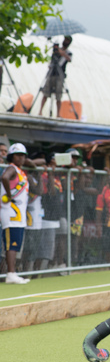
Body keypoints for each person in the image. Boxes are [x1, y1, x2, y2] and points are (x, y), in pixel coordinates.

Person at [1, 143, 36, 284]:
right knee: (11, 244)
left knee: (15, 244)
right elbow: (4, 177)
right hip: (11, 212)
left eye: (23, 155)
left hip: (19, 214)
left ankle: (12, 272)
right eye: (18, 155)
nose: (21, 158)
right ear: (11, 156)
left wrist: (26, 160)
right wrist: (9, 195)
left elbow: (33, 164)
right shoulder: (12, 168)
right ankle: (11, 273)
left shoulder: (21, 170)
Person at [38, 36, 73, 117]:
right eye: (65, 39)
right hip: (52, 74)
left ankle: (58, 114)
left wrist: (62, 53)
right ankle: (40, 111)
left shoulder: (68, 52)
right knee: (45, 93)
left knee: (58, 95)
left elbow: (69, 59)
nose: (65, 41)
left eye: (67, 40)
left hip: (60, 75)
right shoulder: (57, 50)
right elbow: (52, 60)